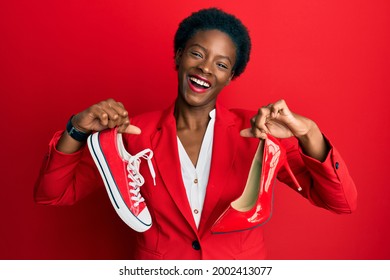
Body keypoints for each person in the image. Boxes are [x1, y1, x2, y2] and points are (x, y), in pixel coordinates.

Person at [34, 8, 357, 259]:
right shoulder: (133, 134)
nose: (205, 68)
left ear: (231, 76)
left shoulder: (261, 134)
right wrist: (76, 129)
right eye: (197, 53)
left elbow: (342, 202)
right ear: (178, 56)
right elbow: (53, 195)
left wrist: (309, 132)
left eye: (221, 64)